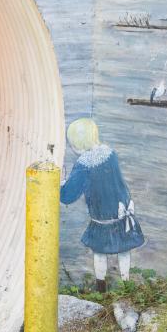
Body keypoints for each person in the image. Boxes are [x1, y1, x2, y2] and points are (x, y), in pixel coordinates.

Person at [59, 118, 145, 292]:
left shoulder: (83, 165)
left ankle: (101, 288)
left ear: (76, 144)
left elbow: (68, 196)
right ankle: (126, 284)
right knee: (124, 251)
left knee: (99, 253)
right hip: (122, 213)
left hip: (102, 219)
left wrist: (61, 183)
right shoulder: (110, 154)